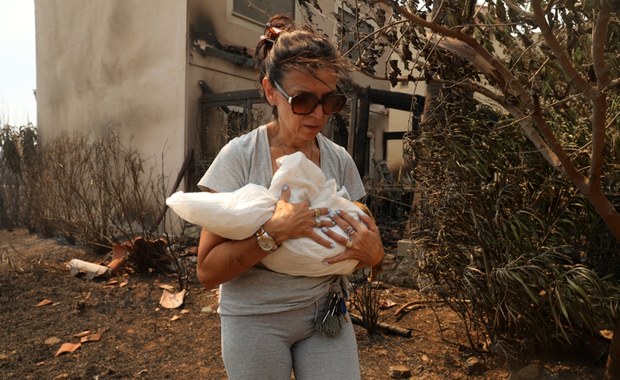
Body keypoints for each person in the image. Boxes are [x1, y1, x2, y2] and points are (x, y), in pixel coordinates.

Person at [196, 14, 385, 380]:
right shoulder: (240, 157)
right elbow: (207, 272)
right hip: (255, 321)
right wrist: (272, 234)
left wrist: (376, 258)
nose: (318, 114)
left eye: (330, 100)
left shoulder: (338, 159)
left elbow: (361, 243)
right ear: (270, 92)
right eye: (302, 100)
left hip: (326, 313)